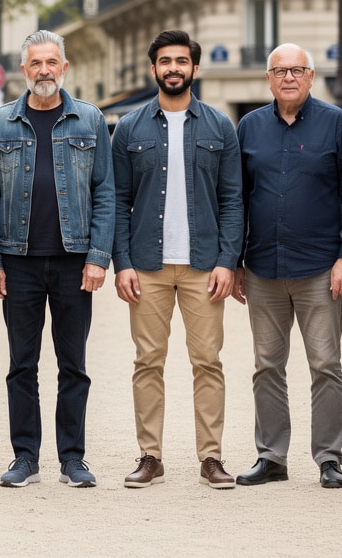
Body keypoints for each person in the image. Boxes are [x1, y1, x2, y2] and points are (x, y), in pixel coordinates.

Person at [112, 29, 242, 489]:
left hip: (204, 265)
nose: (173, 68)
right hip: (146, 265)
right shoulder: (129, 127)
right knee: (148, 360)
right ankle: (151, 455)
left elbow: (232, 200)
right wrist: (121, 263)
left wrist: (228, 260)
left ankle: (211, 457)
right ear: (153, 69)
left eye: (181, 61)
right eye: (164, 61)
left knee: (207, 360)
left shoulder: (219, 126)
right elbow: (117, 199)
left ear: (194, 68)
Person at [0, 30, 113, 489]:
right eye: (35, 63)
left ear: (64, 67)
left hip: (74, 263)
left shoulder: (90, 120)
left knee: (73, 365)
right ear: (24, 70)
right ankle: (25, 457)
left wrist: (98, 257)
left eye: (51, 62)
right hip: (17, 263)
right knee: (22, 364)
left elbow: (105, 192)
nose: (44, 70)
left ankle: (72, 458)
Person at [232, 43, 342, 489]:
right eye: (279, 71)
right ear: (267, 79)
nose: (288, 77)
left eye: (297, 70)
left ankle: (329, 458)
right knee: (266, 365)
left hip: (320, 269)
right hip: (263, 269)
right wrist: (234, 262)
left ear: (311, 76)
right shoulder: (249, 127)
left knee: (326, 364)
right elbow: (236, 200)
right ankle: (272, 457)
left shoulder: (338, 125)